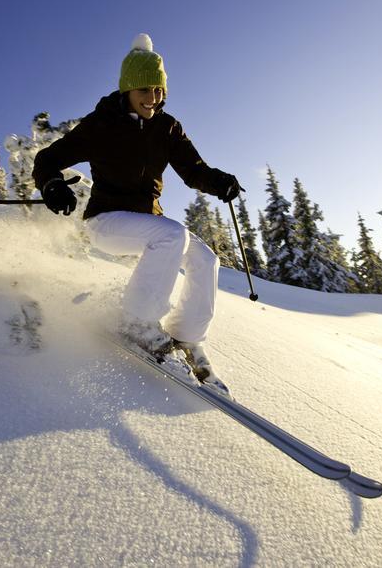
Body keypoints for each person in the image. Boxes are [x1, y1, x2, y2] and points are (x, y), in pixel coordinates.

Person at [32, 34, 241, 394]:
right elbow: (47, 159)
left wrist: (218, 181)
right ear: (128, 87)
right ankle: (137, 323)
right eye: (145, 89)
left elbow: (193, 170)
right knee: (172, 235)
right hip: (107, 220)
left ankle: (187, 336)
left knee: (206, 259)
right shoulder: (102, 123)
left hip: (148, 222)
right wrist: (51, 184)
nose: (153, 98)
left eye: (159, 90)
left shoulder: (167, 127)